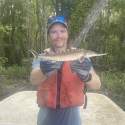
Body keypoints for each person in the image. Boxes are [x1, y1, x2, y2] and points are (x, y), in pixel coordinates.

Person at [30, 16, 101, 125]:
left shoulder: (81, 56)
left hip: (72, 117)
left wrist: (87, 76)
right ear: (49, 36)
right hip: (45, 116)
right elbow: (33, 80)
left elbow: (97, 85)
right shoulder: (43, 56)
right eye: (54, 32)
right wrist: (43, 71)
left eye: (62, 31)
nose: (59, 36)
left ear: (67, 34)